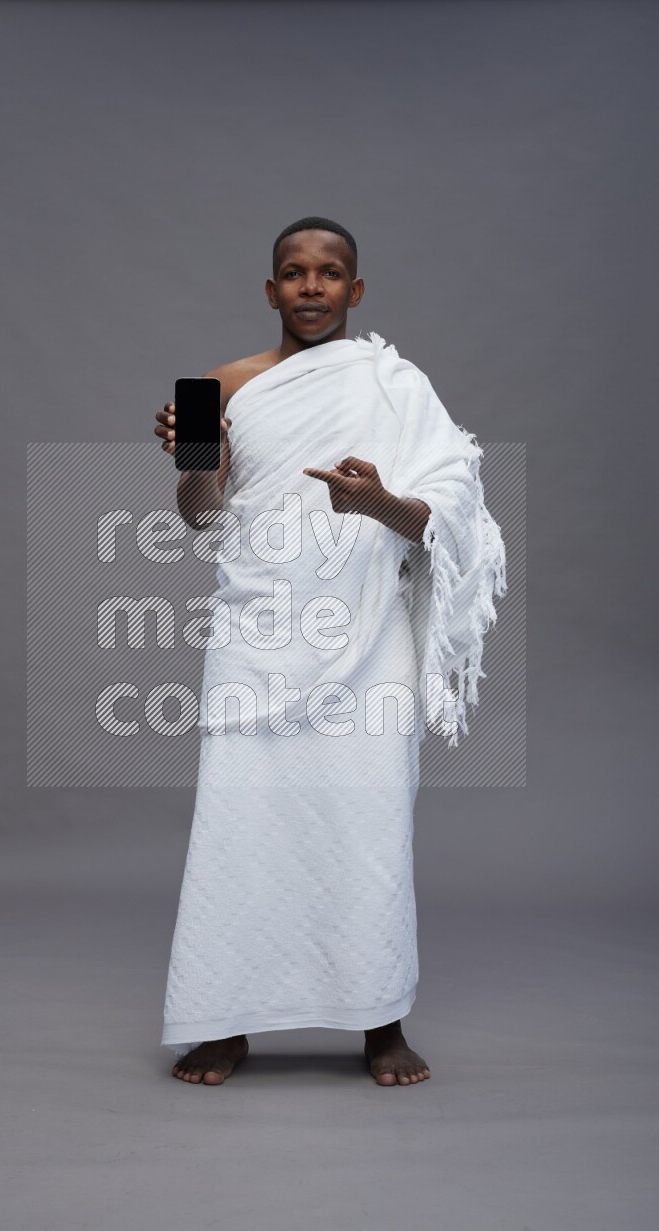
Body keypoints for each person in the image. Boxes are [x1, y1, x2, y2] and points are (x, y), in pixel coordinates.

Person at [153, 216, 506, 1086]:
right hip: (258, 631)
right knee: (240, 822)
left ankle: (379, 1019)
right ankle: (224, 1021)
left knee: (369, 818)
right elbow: (199, 514)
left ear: (356, 290)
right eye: (294, 272)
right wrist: (211, 456)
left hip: (368, 640)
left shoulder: (396, 386)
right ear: (271, 290)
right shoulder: (210, 388)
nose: (312, 286)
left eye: (331, 272)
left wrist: (379, 502)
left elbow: (449, 515)